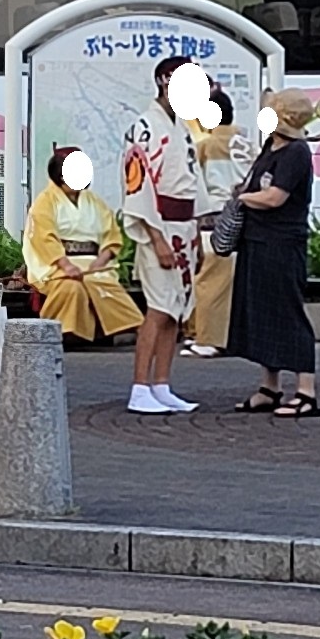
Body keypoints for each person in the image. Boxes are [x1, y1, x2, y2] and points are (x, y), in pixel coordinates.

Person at [225, 89, 320, 418]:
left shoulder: (295, 152)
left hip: (282, 243)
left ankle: (306, 391)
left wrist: (243, 198)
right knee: (263, 314)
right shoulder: (271, 146)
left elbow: (275, 197)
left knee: (288, 313)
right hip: (258, 241)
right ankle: (270, 386)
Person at [119, 55, 203, 413]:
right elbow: (138, 187)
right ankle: (140, 386)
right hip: (160, 225)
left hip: (183, 225)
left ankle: (163, 383)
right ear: (165, 80)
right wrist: (155, 237)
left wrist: (196, 228)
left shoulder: (183, 127)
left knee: (175, 310)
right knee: (157, 307)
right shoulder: (144, 127)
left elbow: (191, 181)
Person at [22, 146, 143, 343]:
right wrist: (66, 265)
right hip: (57, 267)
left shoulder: (95, 202)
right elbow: (44, 237)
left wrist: (102, 260)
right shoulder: (45, 202)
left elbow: (111, 235)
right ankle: (65, 332)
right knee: (71, 287)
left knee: (101, 283)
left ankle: (123, 328)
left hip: (94, 265)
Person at [186, 87, 254, 358]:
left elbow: (196, 187)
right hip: (247, 218)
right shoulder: (248, 142)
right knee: (236, 284)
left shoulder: (205, 146)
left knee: (210, 281)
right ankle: (233, 338)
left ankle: (209, 339)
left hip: (215, 221)